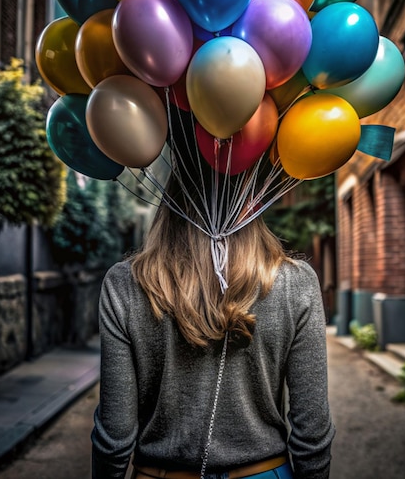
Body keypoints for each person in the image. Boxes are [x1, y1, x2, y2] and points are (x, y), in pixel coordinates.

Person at [91, 168, 335, 479]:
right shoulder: (295, 282)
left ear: (173, 201)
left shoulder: (125, 283)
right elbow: (312, 429)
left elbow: (115, 435)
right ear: (251, 203)